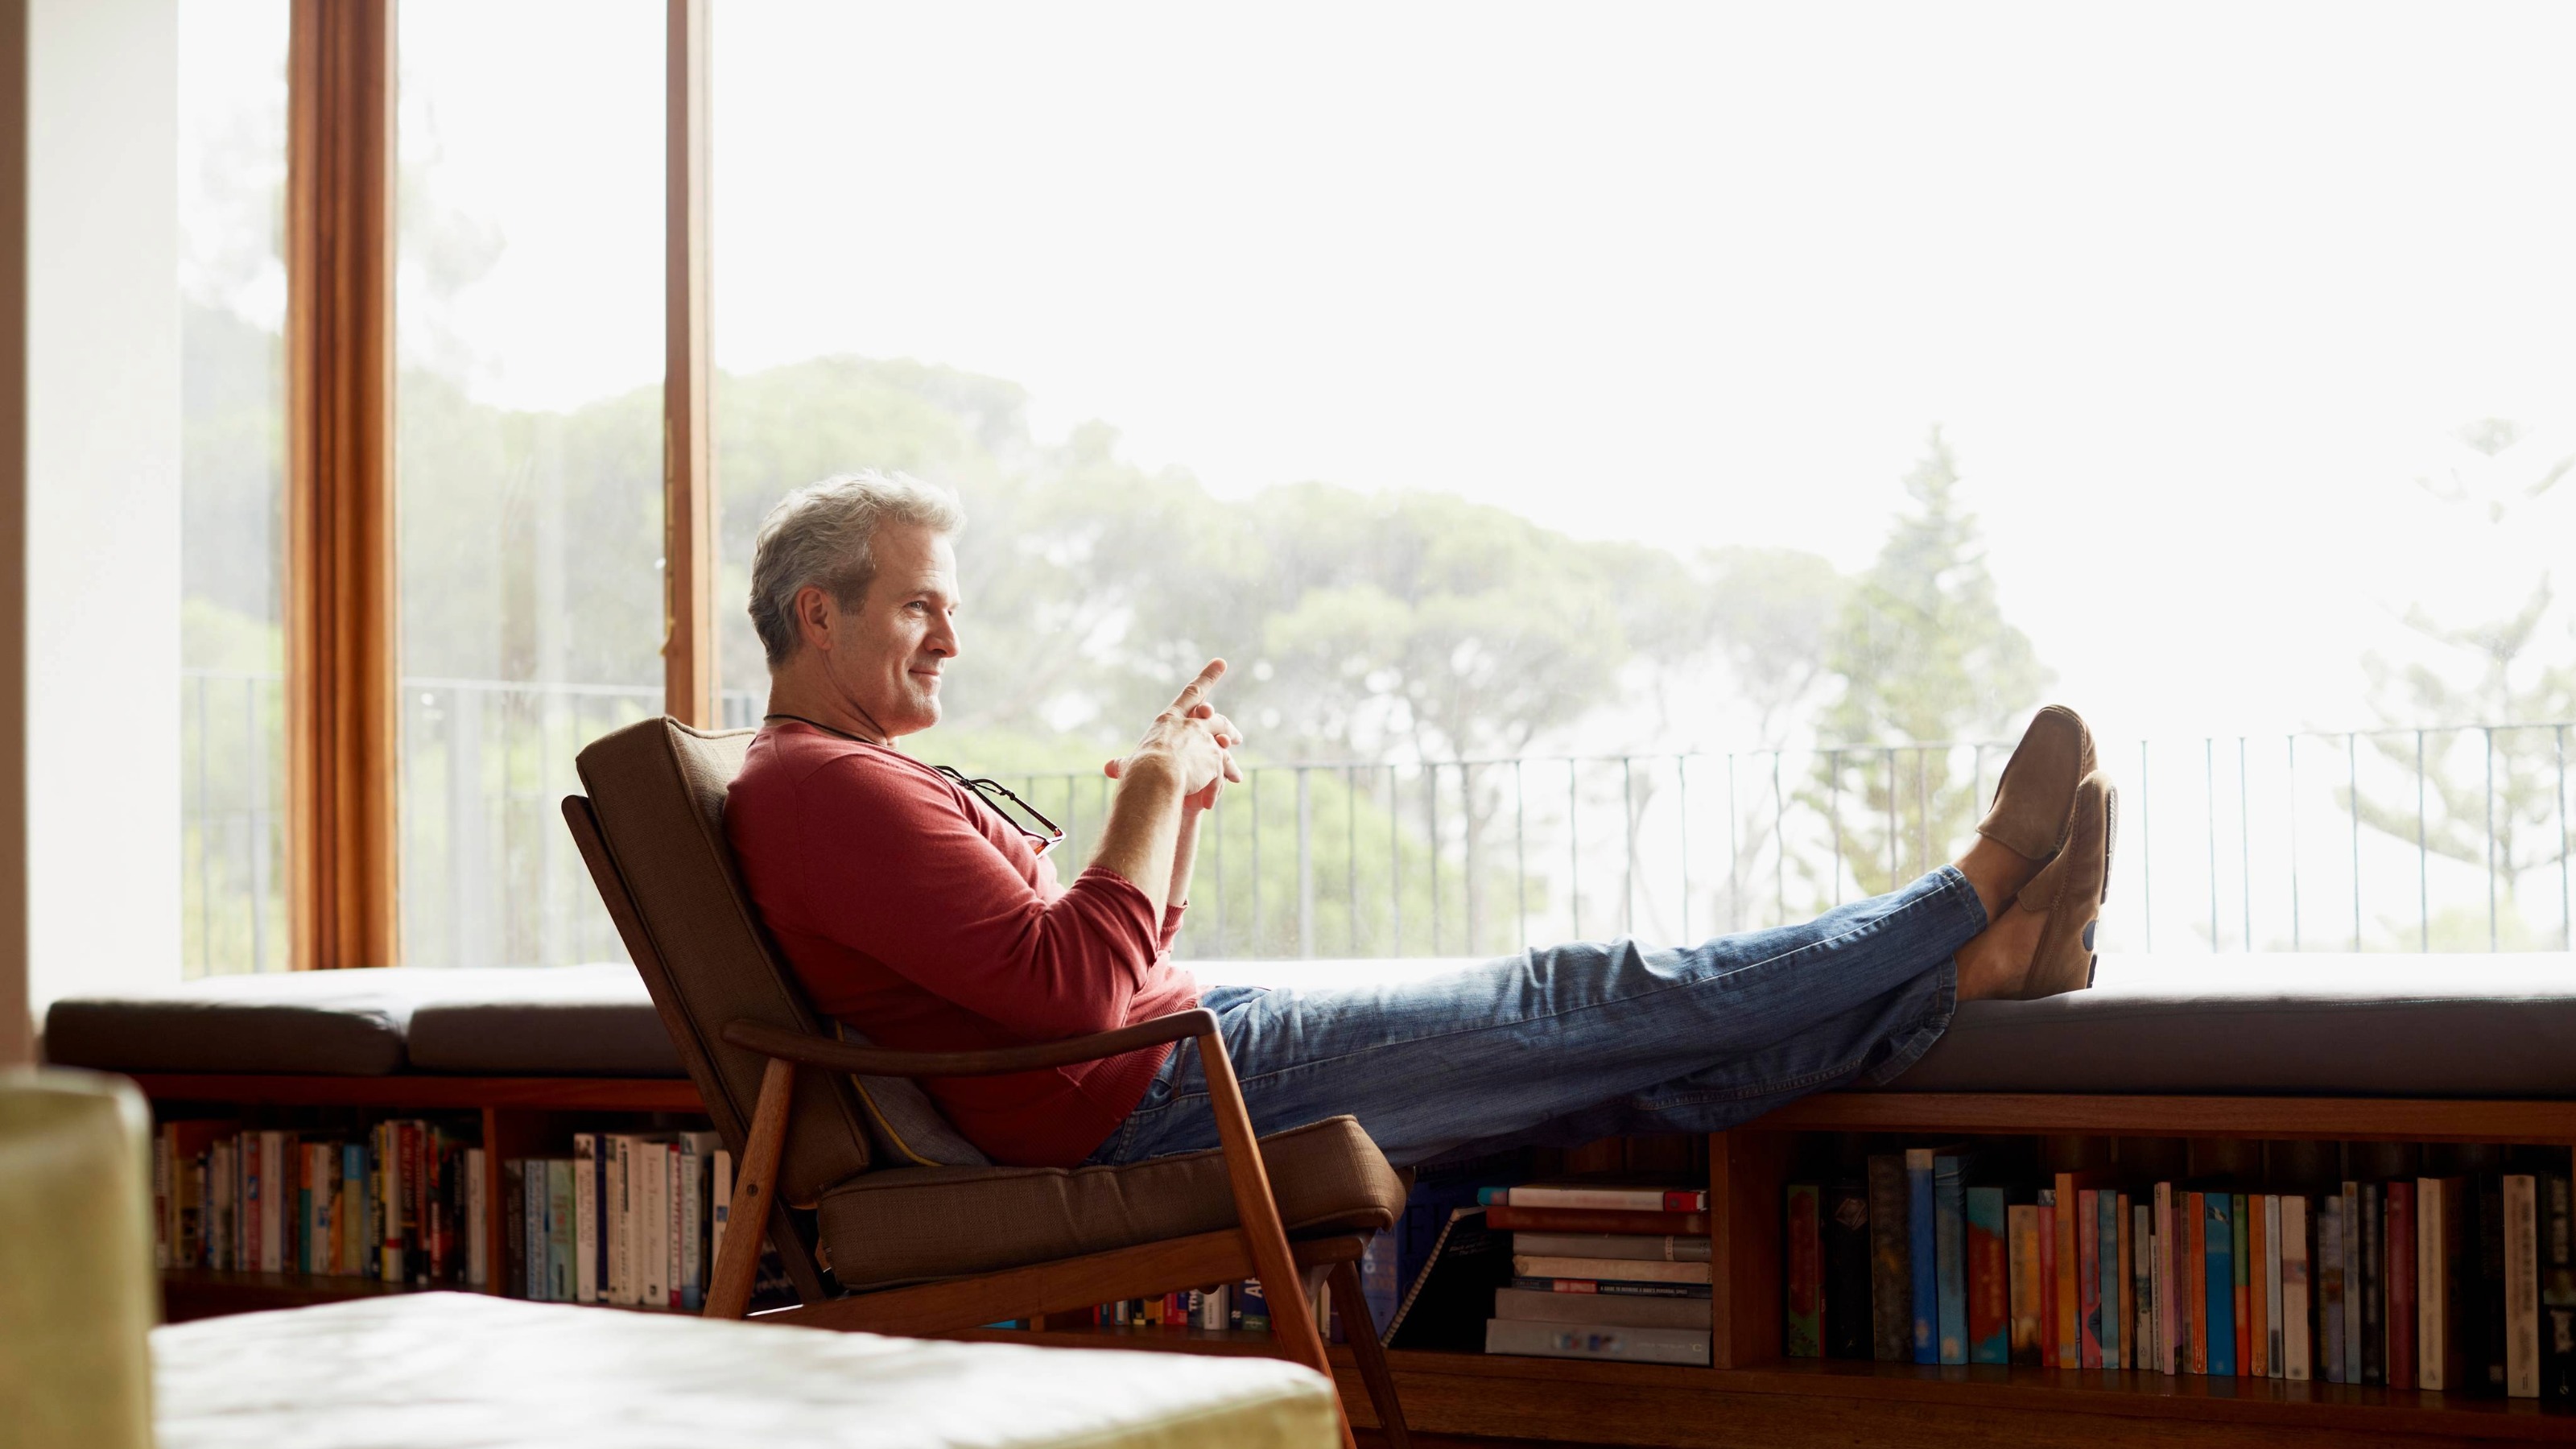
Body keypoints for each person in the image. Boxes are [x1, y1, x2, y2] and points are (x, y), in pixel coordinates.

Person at [724, 472, 2116, 1170]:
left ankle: (1981, 970)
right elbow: (1074, 987)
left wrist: (1183, 800)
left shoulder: (843, 781)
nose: (951, 642)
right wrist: (1151, 788)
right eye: (920, 607)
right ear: (819, 613)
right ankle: (1979, 886)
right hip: (1147, 1089)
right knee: (1581, 995)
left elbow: (1100, 956)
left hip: (1158, 1050)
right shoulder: (821, 787)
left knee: (1606, 1070)